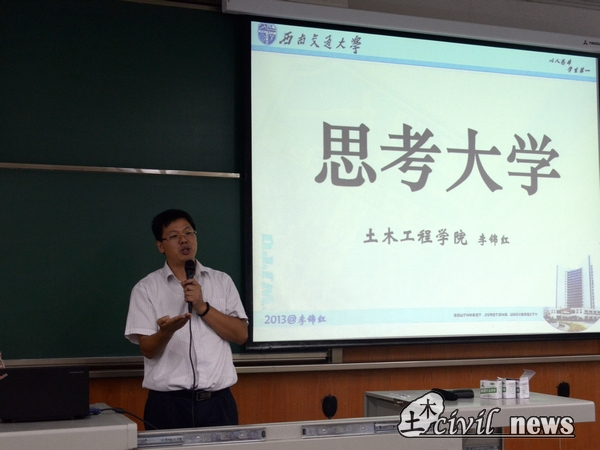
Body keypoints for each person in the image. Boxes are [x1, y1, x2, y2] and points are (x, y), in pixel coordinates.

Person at [125, 209, 248, 430]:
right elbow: (148, 349)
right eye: (174, 236)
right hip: (168, 406)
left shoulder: (222, 281)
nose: (184, 240)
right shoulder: (146, 289)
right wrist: (166, 332)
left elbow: (241, 335)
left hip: (218, 404)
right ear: (160, 246)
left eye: (188, 233)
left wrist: (203, 307)